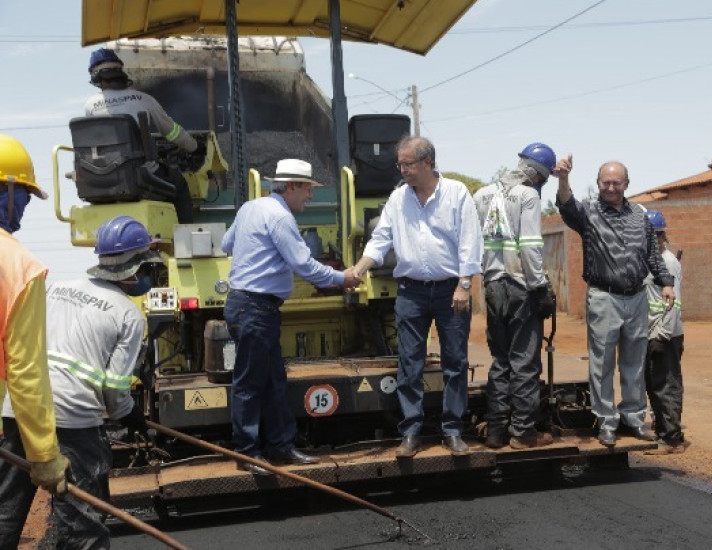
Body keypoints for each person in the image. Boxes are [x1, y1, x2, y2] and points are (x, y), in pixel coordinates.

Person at [3, 215, 162, 547]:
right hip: (74, 421)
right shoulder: (127, 313)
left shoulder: (57, 288)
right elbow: (116, 392)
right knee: (81, 520)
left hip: (22, 411)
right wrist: (131, 416)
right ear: (136, 270)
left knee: (6, 509)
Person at [222, 159, 358, 475]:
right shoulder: (281, 218)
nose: (309, 197)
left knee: (272, 381)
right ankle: (247, 453)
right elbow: (305, 265)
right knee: (251, 382)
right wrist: (343, 278)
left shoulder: (250, 208)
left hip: (249, 306)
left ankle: (281, 447)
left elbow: (227, 244)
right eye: (308, 189)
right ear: (293, 186)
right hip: (256, 307)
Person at [352, 136, 483, 457]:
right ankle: (411, 432)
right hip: (410, 291)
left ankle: (453, 431)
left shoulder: (456, 194)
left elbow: (470, 241)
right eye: (400, 163)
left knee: (455, 362)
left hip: (451, 290)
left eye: (407, 163)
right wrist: (359, 268)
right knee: (409, 363)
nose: (402, 169)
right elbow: (381, 239)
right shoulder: (398, 199)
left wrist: (464, 285)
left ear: (427, 163)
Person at [555, 156, 673, 447]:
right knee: (602, 362)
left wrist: (666, 282)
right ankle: (606, 421)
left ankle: (633, 418)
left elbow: (652, 256)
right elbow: (567, 207)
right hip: (603, 297)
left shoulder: (639, 217)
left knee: (634, 362)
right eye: (605, 182)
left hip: (636, 298)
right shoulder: (588, 214)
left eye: (616, 182)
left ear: (626, 184)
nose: (610, 187)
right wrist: (563, 179)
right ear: (597, 184)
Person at [0, 135, 69, 548]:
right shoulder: (18, 266)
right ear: (5, 191)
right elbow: (25, 371)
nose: (24, 207)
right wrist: (44, 456)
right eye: (24, 194)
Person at [473, 143, 557, 450]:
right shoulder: (528, 195)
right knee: (524, 362)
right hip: (521, 287)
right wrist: (540, 288)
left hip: (492, 287)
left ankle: (496, 431)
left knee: (501, 360)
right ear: (539, 176)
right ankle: (523, 432)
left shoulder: (481, 194)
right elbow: (531, 247)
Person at [84, 48, 198, 154]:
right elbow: (171, 132)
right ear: (120, 72)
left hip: (104, 172)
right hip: (141, 170)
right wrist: (193, 146)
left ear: (96, 77)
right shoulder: (144, 99)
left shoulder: (90, 105)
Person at [642, 210, 685, 454]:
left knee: (666, 385)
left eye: (654, 235)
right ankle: (662, 430)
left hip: (664, 334)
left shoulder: (668, 262)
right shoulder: (649, 260)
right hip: (651, 332)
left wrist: (663, 333)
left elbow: (673, 304)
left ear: (661, 236)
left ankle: (671, 438)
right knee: (653, 384)